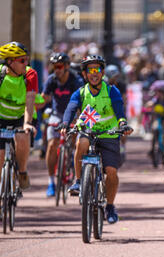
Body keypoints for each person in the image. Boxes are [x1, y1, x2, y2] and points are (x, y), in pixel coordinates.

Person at [61, 55, 133, 224]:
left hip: (109, 134)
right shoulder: (80, 92)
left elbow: (119, 110)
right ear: (84, 74)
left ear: (102, 72)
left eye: (97, 69)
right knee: (81, 142)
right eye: (90, 70)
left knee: (112, 173)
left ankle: (109, 206)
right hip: (88, 131)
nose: (94, 73)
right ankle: (78, 181)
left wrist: (122, 123)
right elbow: (71, 109)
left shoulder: (111, 90)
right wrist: (65, 124)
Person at [40, 52, 84, 197]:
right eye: (54, 67)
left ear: (66, 67)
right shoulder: (52, 80)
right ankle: (51, 182)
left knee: (76, 143)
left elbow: (81, 103)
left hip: (73, 116)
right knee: (52, 145)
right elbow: (44, 98)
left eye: (59, 67)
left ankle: (72, 162)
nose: (56, 70)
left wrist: (77, 120)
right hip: (56, 115)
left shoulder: (76, 81)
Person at [0, 42, 37, 189]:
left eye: (27, 59)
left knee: (22, 136)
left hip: (22, 116)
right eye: (22, 60)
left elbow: (30, 101)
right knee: (0, 155)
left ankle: (22, 172)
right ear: (10, 62)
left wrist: (27, 123)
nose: (26, 63)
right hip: (2, 117)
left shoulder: (30, 74)